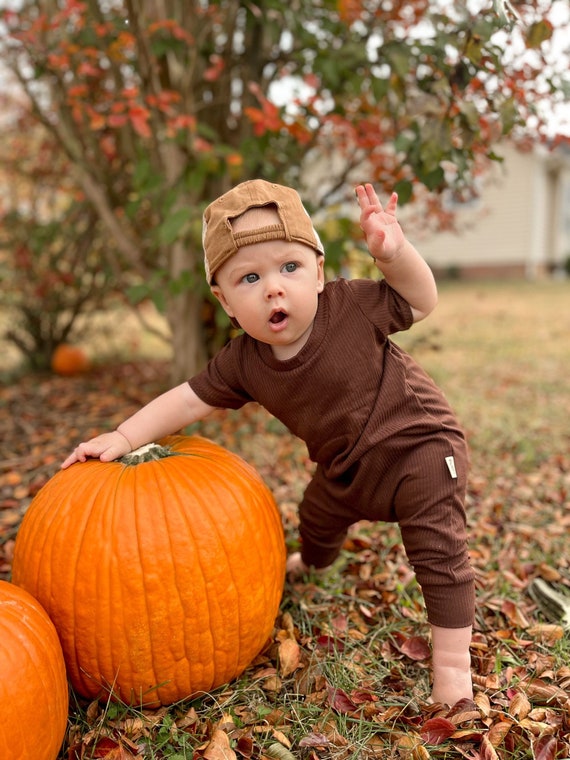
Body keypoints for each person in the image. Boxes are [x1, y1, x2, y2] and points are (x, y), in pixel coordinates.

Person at [62, 179, 475, 706]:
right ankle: (316, 560)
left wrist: (394, 256)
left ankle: (452, 668)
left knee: (437, 552)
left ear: (319, 273)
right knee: (318, 513)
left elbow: (421, 301)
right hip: (346, 466)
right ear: (226, 301)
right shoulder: (244, 361)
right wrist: (124, 435)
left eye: (289, 268)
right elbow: (188, 401)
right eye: (250, 277)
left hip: (419, 448)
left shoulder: (351, 305)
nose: (273, 289)